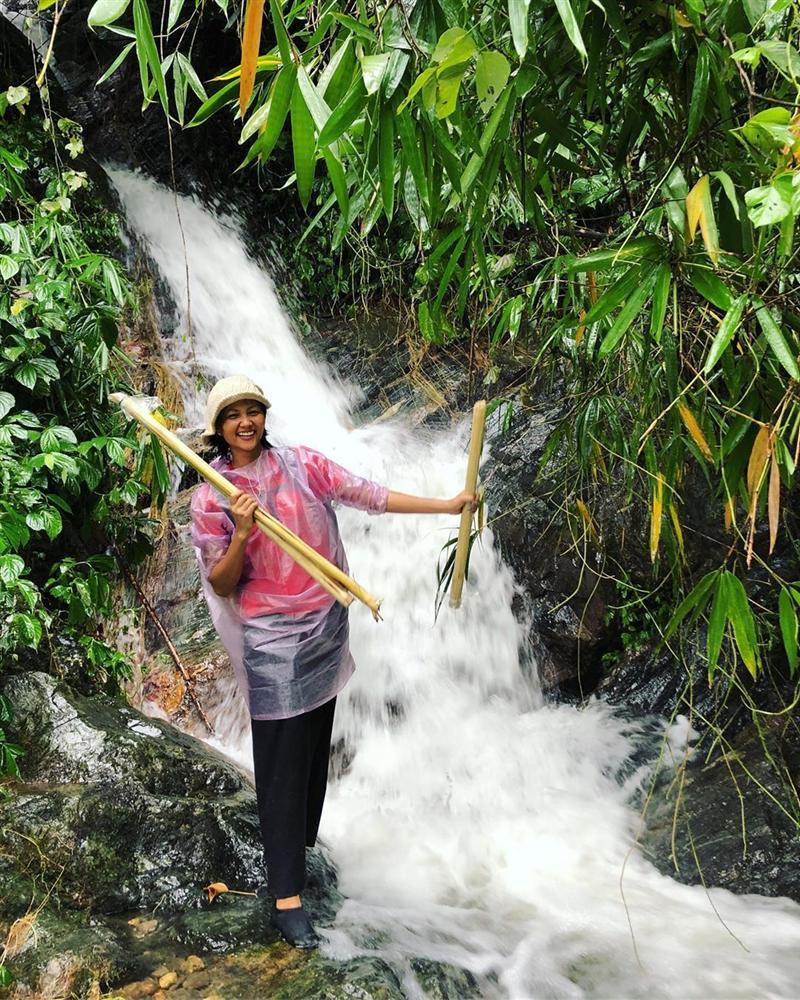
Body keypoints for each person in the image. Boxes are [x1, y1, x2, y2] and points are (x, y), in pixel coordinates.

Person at [190, 375, 476, 949]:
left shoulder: (302, 465)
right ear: (219, 427)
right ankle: (286, 899)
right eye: (233, 415)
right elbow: (222, 585)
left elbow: (368, 494)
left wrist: (447, 505)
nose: (246, 422)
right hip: (271, 639)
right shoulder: (212, 496)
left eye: (253, 411)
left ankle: (302, 855)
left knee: (316, 749)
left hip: (325, 622)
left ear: (264, 417)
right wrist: (243, 531)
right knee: (279, 766)